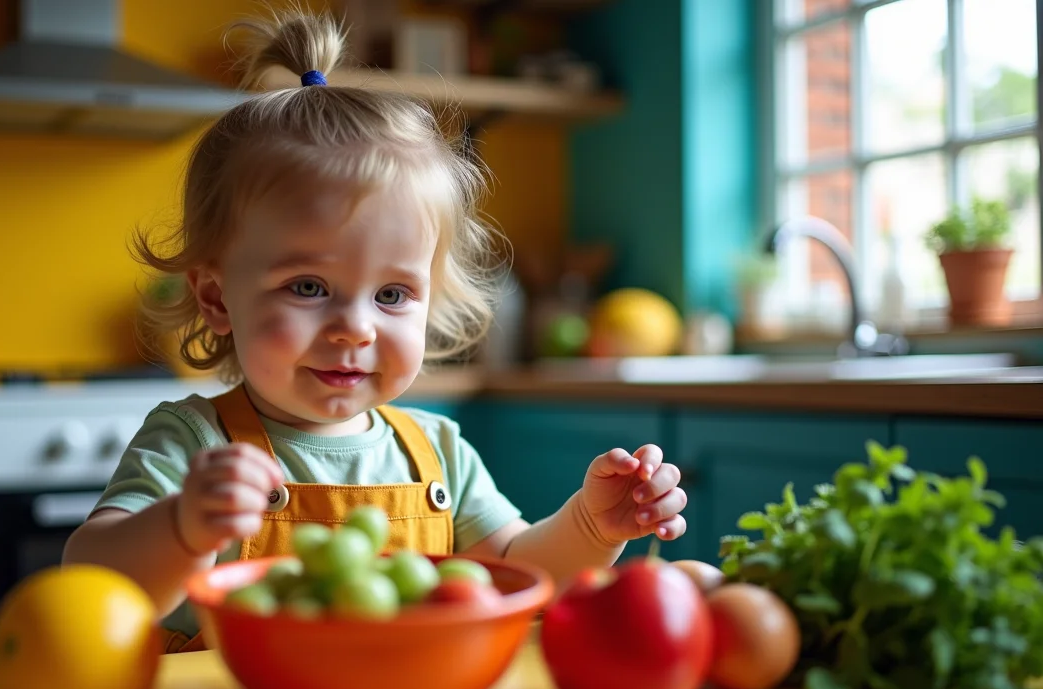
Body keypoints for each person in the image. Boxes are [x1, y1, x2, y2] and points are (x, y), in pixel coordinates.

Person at [62, 8, 686, 652]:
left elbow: (519, 573)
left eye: (392, 294)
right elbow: (92, 578)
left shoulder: (437, 451)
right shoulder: (193, 444)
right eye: (308, 287)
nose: (355, 329)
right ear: (218, 297)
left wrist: (590, 525)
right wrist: (181, 528)